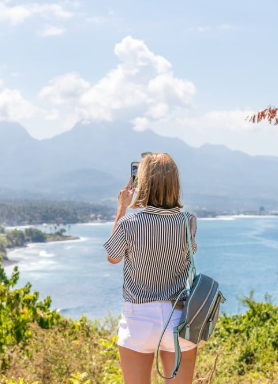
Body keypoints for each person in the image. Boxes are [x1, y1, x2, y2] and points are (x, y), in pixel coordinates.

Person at [104, 153, 198, 384]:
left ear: (143, 183)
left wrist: (121, 209)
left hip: (138, 319)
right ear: (174, 183)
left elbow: (113, 257)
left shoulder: (130, 223)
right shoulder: (188, 220)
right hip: (178, 317)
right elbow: (190, 253)